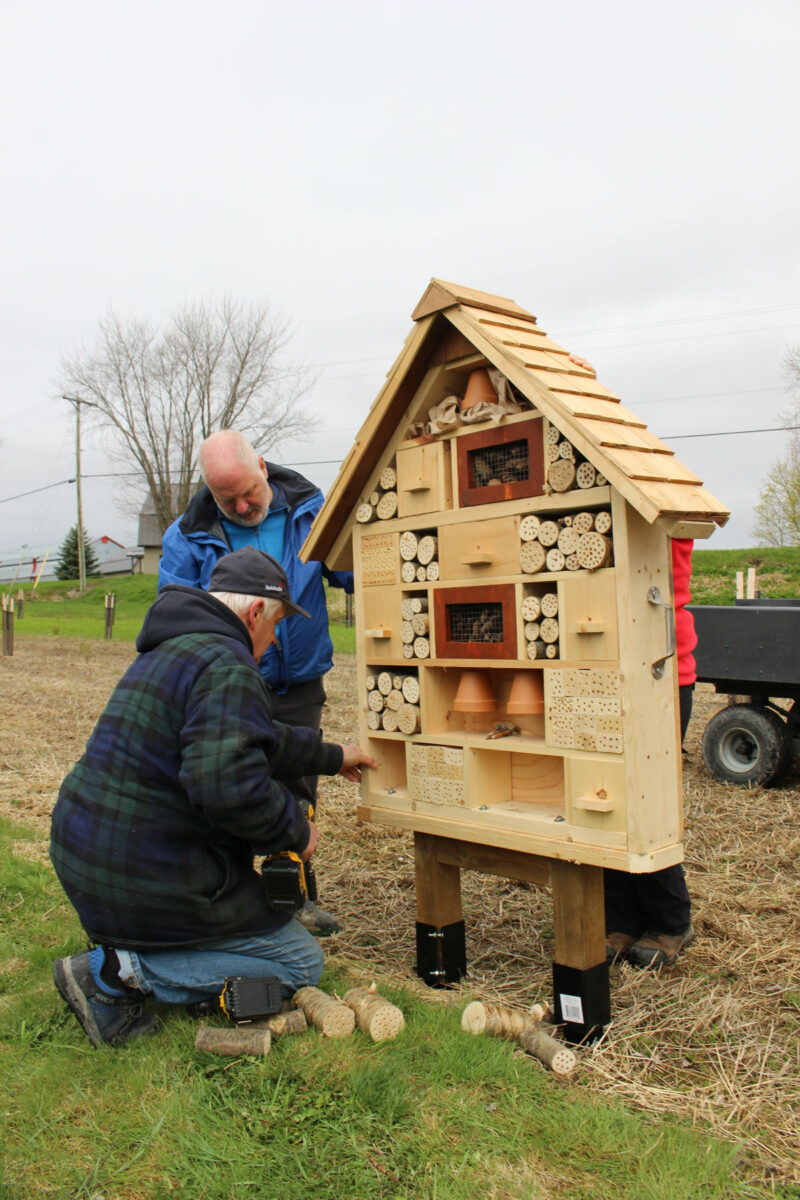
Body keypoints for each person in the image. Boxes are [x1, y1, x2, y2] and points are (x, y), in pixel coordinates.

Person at [50, 547, 376, 1048]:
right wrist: (295, 829)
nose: (271, 642)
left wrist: (333, 756)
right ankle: (117, 972)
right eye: (275, 627)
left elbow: (257, 736)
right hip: (143, 872)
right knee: (300, 961)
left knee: (263, 926)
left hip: (89, 859)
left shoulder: (177, 648)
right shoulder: (229, 665)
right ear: (254, 614)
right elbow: (229, 789)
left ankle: (128, 945)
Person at [158, 429, 353, 936]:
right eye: (229, 499)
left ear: (263, 467)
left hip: (299, 683)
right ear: (208, 491)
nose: (244, 505)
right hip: (226, 685)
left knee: (294, 791)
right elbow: (174, 612)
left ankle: (296, 900)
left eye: (249, 491)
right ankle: (235, 899)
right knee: (228, 790)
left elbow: (358, 567)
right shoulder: (187, 535)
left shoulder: (312, 511)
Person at [604, 538, 697, 969]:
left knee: (651, 802)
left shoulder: (659, 498)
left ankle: (670, 922)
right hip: (607, 665)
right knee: (608, 799)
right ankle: (620, 919)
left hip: (659, 672)